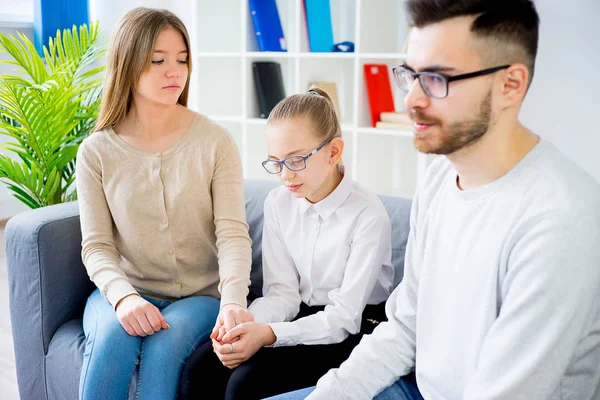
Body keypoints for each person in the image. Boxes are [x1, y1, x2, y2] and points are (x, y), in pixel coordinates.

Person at [269, 0, 600, 399]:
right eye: (410, 75)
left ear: (510, 85)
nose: (411, 100)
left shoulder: (560, 219)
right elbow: (405, 328)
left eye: (438, 79)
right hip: (416, 387)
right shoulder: (440, 175)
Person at [75, 7, 253, 400]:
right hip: (126, 287)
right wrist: (123, 298)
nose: (175, 71)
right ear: (127, 63)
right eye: (158, 60)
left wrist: (234, 302)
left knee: (164, 348)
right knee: (111, 339)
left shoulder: (214, 141)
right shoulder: (96, 152)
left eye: (182, 59)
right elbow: (97, 247)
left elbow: (232, 234)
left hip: (198, 297)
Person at [178, 87, 394, 399]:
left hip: (354, 328)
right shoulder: (278, 203)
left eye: (295, 160)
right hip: (300, 315)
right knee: (201, 368)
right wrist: (244, 324)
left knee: (244, 384)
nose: (285, 176)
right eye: (275, 163)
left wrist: (267, 334)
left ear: (333, 151)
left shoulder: (368, 215)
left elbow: (343, 318)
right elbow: (282, 294)